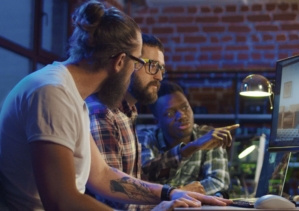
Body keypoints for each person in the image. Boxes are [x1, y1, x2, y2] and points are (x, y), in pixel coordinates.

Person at [0, 1, 231, 210]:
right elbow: (63, 201)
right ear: (120, 61)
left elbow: (102, 175)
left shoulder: (69, 94)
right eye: (138, 63)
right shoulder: (52, 93)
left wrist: (169, 192)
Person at [85, 33, 165, 210]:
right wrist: (167, 199)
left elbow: (134, 181)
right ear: (126, 63)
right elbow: (114, 200)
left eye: (162, 69)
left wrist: (174, 193)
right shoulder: (102, 113)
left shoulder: (128, 112)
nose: (159, 77)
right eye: (152, 65)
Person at [138, 81, 239, 195]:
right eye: (170, 113)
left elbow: (218, 182)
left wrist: (180, 193)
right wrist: (192, 147)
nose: (181, 115)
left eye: (185, 107)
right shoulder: (145, 138)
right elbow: (143, 178)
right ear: (158, 121)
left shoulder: (207, 135)